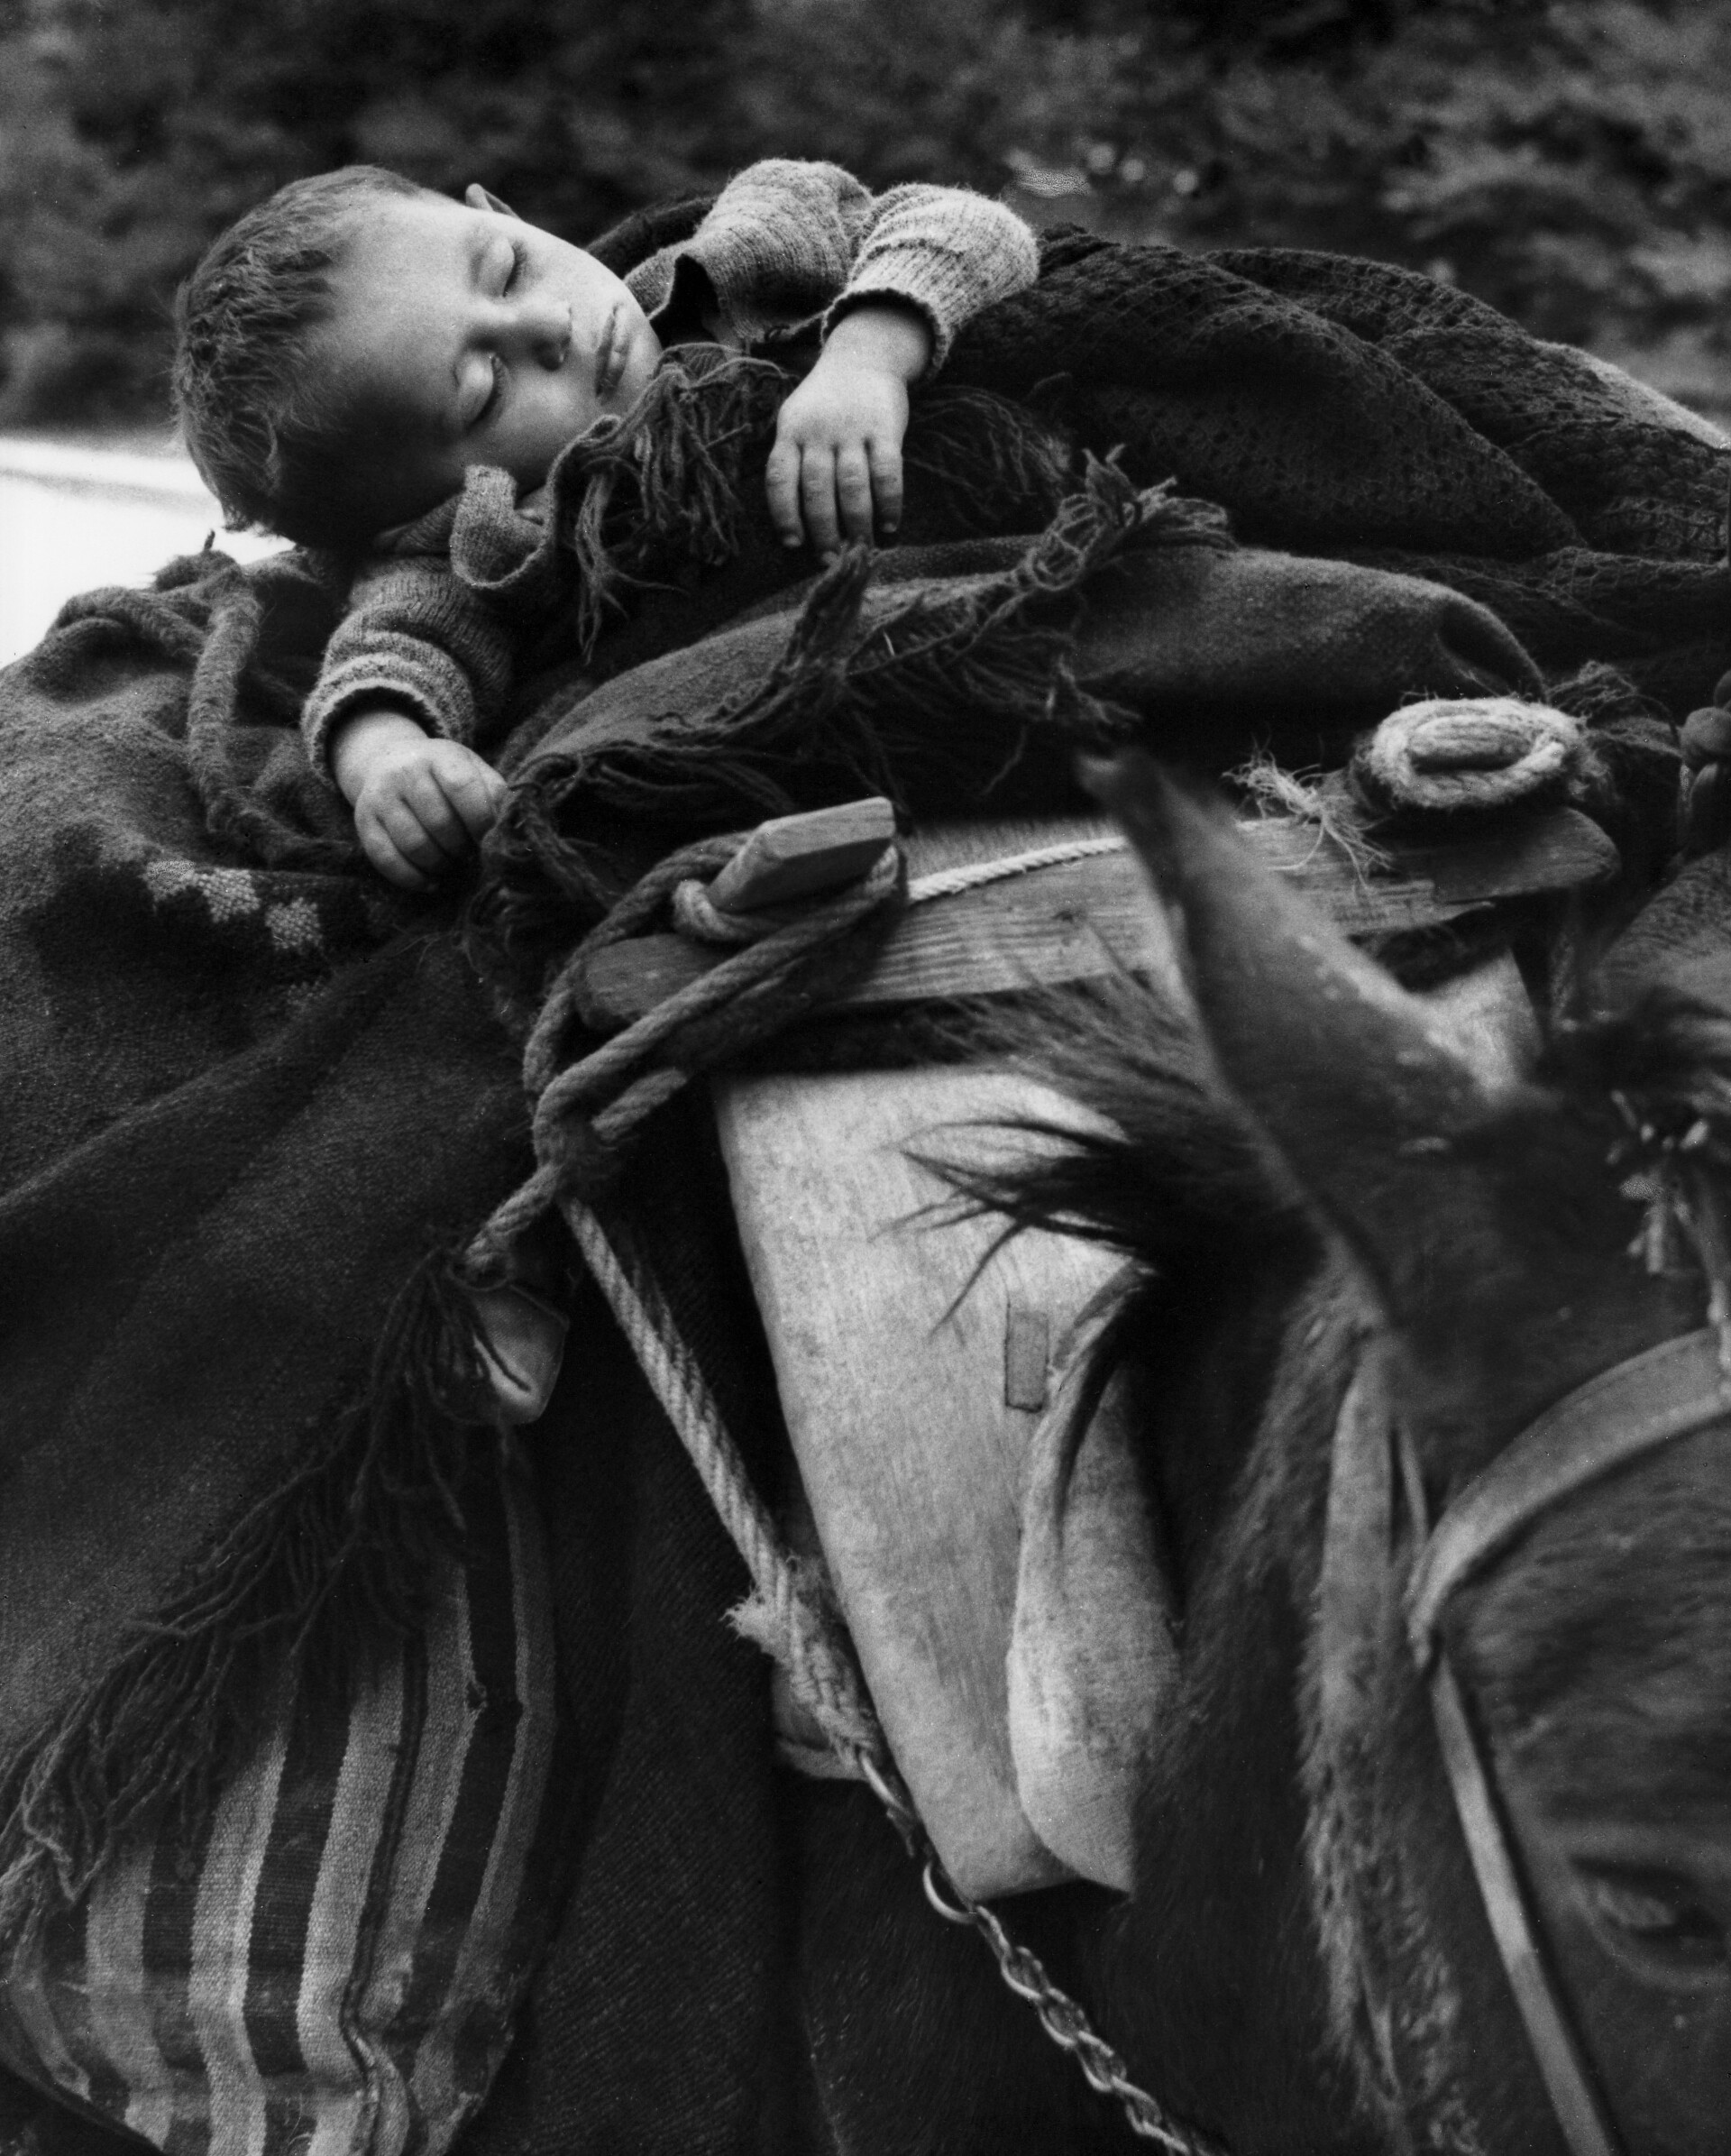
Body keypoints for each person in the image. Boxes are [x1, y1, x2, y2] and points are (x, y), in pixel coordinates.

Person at [174, 160, 1039, 891]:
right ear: (419, 510)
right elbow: (392, 650)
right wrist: (391, 761)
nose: (548, 327)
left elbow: (966, 225)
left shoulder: (750, 253)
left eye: (508, 271)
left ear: (504, 215)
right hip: (862, 722)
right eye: (485, 390)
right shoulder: (493, 535)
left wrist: (867, 356)